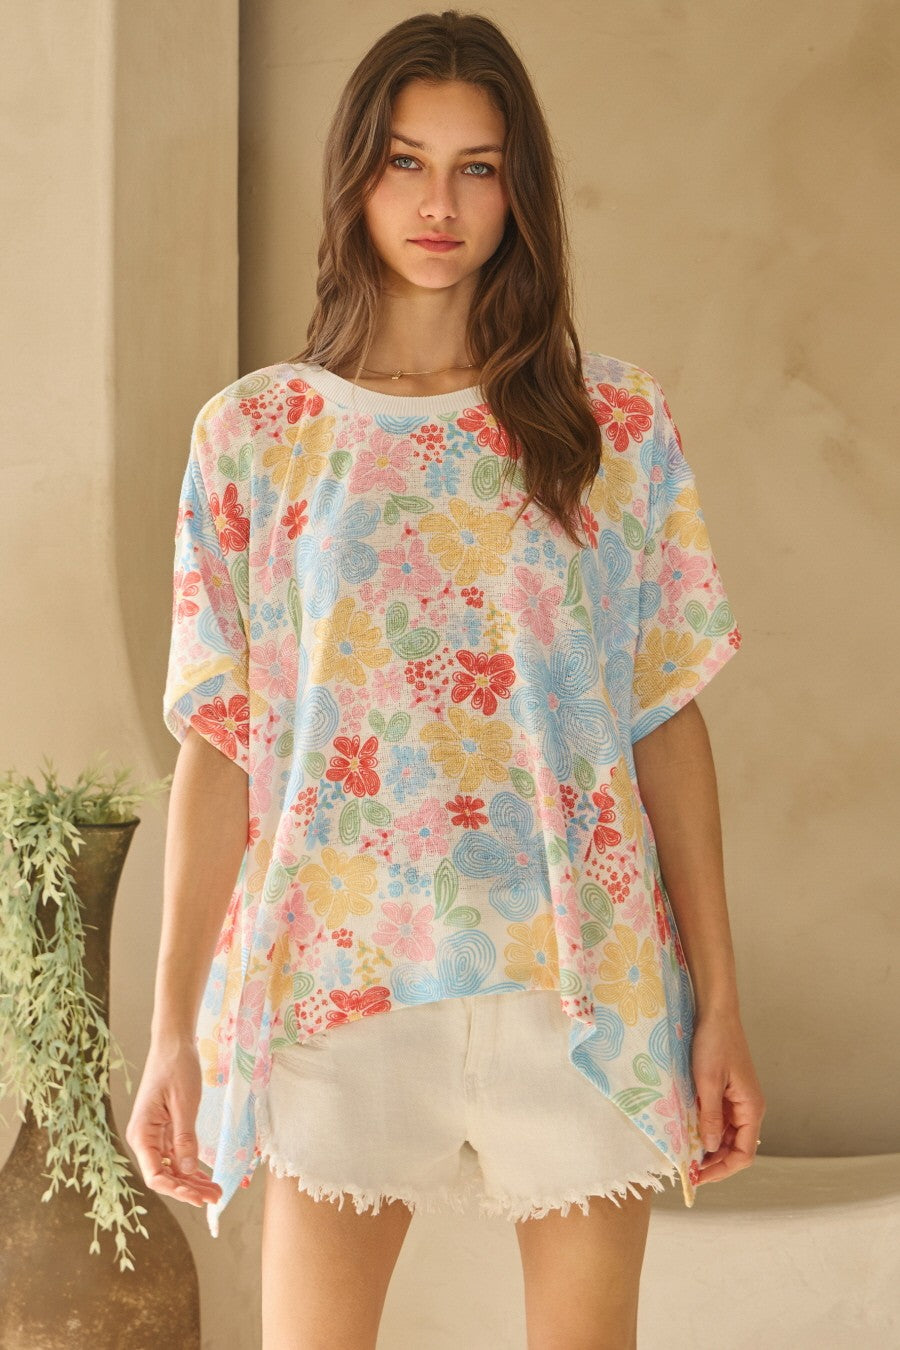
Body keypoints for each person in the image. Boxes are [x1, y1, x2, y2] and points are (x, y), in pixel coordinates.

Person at [126, 10, 766, 1348]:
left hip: (580, 980)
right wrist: (173, 1028)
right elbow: (221, 745)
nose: (439, 204)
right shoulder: (256, 436)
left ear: (519, 190)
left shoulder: (612, 422)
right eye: (407, 162)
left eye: (478, 168)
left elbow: (663, 715)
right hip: (339, 975)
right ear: (356, 175)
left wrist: (720, 1005)